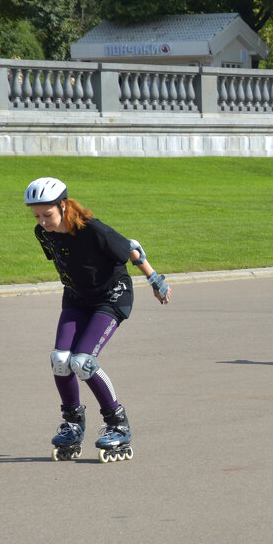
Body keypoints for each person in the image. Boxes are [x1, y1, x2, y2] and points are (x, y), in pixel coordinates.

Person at [25, 177, 172, 463]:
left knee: (82, 362)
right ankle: (72, 424)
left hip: (111, 297)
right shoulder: (44, 233)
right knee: (59, 359)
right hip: (77, 298)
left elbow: (132, 249)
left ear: (63, 205)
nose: (43, 221)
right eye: (37, 216)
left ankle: (117, 423)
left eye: (48, 214)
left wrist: (155, 279)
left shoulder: (92, 230)